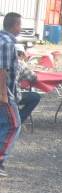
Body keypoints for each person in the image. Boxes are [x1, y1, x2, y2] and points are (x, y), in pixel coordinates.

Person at [0, 12, 21, 178]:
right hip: (4, 92)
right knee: (13, 125)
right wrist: (4, 96)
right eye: (19, 25)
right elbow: (2, 70)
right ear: (15, 26)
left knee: (3, 124)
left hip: (6, 91)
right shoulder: (7, 43)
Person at [15, 44, 41, 123]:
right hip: (11, 96)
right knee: (35, 97)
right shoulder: (20, 63)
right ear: (22, 54)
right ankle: (18, 119)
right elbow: (33, 78)